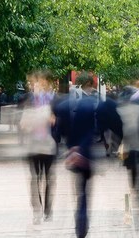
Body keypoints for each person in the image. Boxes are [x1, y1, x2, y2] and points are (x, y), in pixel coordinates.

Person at [53, 71, 98, 238]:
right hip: (86, 154)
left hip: (71, 153)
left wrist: (70, 147)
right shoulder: (91, 103)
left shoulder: (64, 104)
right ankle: (82, 222)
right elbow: (95, 130)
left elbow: (58, 130)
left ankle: (79, 220)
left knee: (78, 189)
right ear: (90, 84)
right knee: (84, 190)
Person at [19, 70, 57, 225]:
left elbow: (59, 122)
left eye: (41, 83)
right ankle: (37, 210)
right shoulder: (27, 100)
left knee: (49, 179)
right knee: (35, 179)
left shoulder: (52, 100)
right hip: (33, 145)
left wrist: (53, 120)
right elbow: (22, 124)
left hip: (48, 145)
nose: (37, 86)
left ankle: (47, 209)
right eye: (35, 83)